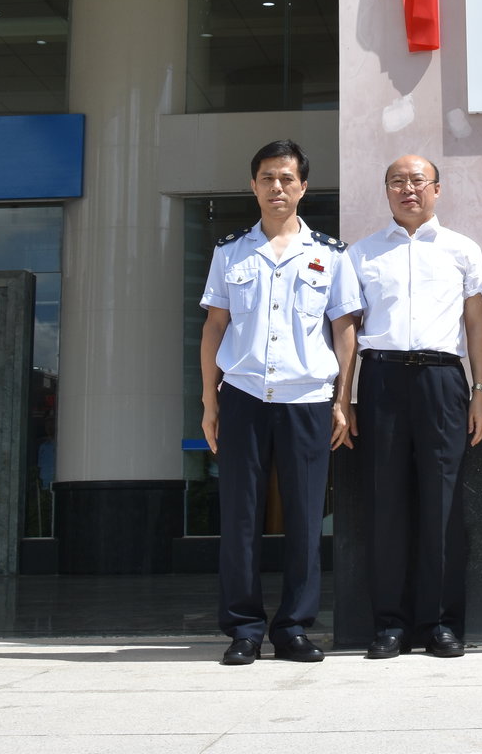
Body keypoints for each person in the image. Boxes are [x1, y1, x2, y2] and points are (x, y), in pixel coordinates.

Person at [198, 139, 360, 665]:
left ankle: (293, 627)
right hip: (243, 396)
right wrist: (209, 401)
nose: (277, 188)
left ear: (303, 187)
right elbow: (213, 329)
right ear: (253, 185)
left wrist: (342, 401)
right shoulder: (230, 252)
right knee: (240, 519)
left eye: (287, 179)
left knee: (305, 518)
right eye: (268, 178)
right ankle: (244, 628)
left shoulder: (330, 255)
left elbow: (345, 335)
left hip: (308, 399)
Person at [342, 153, 482, 659]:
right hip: (380, 379)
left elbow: (477, 326)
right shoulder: (360, 255)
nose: (408, 189)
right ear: (386, 191)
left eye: (418, 181)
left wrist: (480, 392)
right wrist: (346, 398)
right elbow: (348, 334)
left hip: (443, 381)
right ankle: (389, 624)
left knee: (442, 507)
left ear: (437, 189)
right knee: (385, 505)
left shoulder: (462, 250)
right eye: (397, 182)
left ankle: (442, 624)